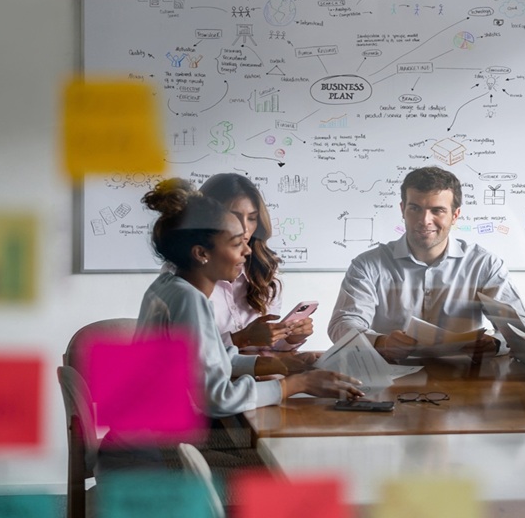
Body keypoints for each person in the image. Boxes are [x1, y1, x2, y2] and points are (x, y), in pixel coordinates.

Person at [135, 178, 363, 418]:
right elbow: (218, 399)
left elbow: (209, 359)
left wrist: (285, 365)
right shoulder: (190, 300)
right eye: (236, 244)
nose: (248, 250)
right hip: (165, 446)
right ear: (201, 253)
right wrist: (297, 384)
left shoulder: (167, 287)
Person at [328, 166, 525, 361]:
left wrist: (495, 343)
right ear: (402, 210)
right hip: (389, 374)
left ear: (455, 215)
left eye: (437, 210)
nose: (425, 220)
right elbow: (342, 325)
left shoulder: (484, 265)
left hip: (465, 377)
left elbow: (521, 327)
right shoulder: (368, 265)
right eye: (415, 208)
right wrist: (380, 342)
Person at [199, 173, 312, 353]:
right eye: (233, 216)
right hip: (212, 379)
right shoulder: (186, 275)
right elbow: (186, 354)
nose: (244, 228)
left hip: (259, 375)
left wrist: (290, 338)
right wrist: (241, 339)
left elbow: (268, 347)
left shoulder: (264, 271)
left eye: (252, 218)